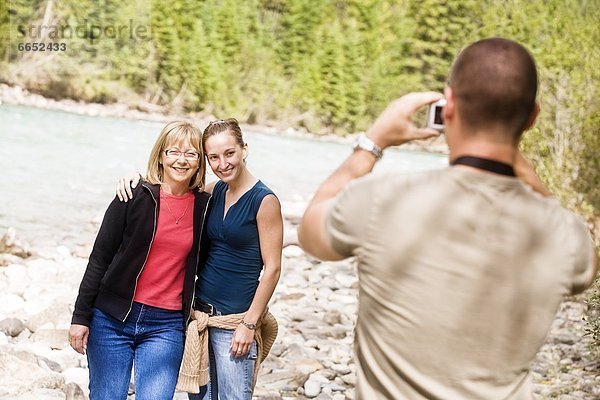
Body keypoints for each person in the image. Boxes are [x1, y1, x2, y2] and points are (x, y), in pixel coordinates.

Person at [297, 38, 598, 399]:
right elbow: (586, 267)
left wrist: (372, 143)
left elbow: (311, 230)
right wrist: (519, 165)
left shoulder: (384, 199)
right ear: (532, 117)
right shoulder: (565, 235)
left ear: (449, 105)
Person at [117, 118, 283, 399]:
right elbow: (173, 187)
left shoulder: (264, 201)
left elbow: (273, 268)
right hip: (200, 319)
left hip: (234, 323)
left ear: (244, 149)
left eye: (229, 153)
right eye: (213, 157)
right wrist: (135, 178)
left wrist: (249, 324)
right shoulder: (212, 190)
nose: (223, 164)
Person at [69, 121, 210, 400]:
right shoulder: (133, 194)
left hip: (165, 324)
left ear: (199, 163)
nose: (181, 160)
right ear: (160, 155)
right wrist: (80, 317)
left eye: (191, 154)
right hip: (112, 318)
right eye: (173, 152)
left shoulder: (205, 206)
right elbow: (100, 257)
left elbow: (236, 193)